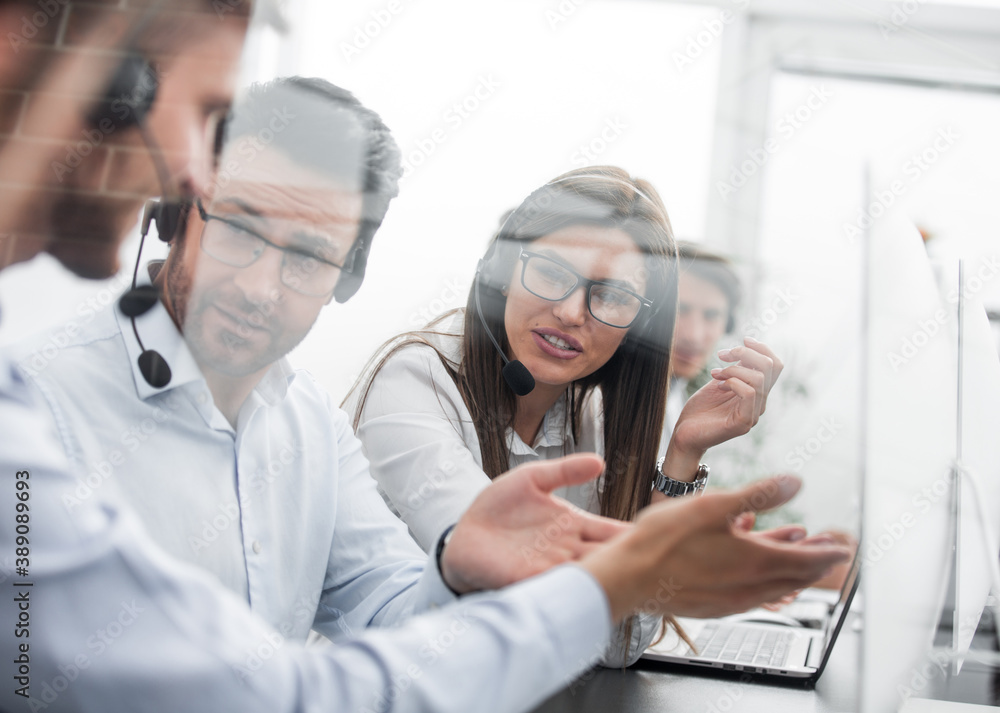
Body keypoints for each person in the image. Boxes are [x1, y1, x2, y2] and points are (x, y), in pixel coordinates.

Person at [0, 7, 850, 710]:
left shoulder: (305, 426)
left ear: (348, 276)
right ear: (179, 212)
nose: (262, 285)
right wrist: (600, 584)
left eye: (307, 257)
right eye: (241, 229)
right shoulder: (41, 403)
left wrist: (458, 563)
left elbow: (388, 608)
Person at [347, 167, 790, 665]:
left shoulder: (593, 413)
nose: (572, 312)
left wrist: (684, 452)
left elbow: (618, 645)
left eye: (613, 295)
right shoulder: (414, 381)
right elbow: (512, 598)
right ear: (501, 270)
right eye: (552, 273)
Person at [662, 241, 743, 440]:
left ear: (728, 324)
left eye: (711, 315)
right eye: (680, 310)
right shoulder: (602, 400)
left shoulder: (676, 400)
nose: (694, 335)